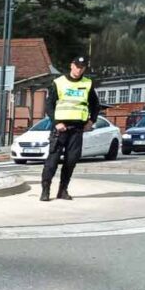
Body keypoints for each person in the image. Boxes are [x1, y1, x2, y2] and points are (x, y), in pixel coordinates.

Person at [41, 55, 101, 201]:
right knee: (52, 161)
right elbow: (49, 105)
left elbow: (95, 105)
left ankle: (63, 190)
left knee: (71, 160)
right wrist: (56, 122)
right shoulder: (59, 82)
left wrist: (91, 121)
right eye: (77, 67)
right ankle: (45, 190)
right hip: (60, 128)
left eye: (82, 68)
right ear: (71, 65)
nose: (79, 70)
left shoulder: (87, 84)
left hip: (77, 128)